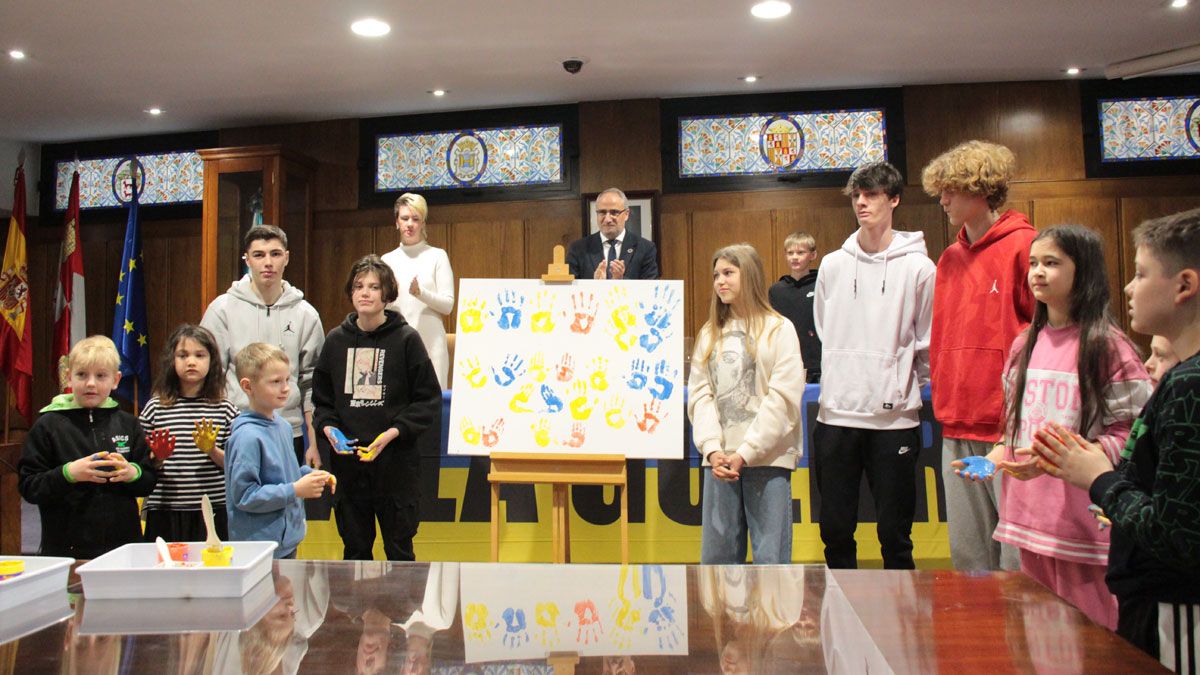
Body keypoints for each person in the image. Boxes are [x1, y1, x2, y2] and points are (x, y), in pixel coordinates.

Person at [953, 225, 1152, 630]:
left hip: (1083, 526)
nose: (1037, 273)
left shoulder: (1109, 346)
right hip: (1030, 520)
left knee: (1092, 643)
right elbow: (1016, 429)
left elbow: (1134, 433)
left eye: (1052, 263)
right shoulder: (1024, 344)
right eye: (1033, 263)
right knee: (1038, 643)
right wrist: (995, 459)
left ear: (1085, 271)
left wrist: (1063, 459)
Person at [1030, 208, 1200, 671]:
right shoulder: (1180, 378)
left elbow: (1175, 534)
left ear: (1184, 285)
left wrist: (1100, 478)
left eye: (1142, 273)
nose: (1128, 286)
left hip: (1176, 604)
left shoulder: (1189, 386)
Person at [812, 161, 935, 569]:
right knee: (835, 532)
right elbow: (825, 331)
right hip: (836, 416)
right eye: (856, 196)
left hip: (893, 421)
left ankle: (899, 629)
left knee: (895, 536)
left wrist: (895, 387)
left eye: (872, 195)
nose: (861, 203)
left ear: (894, 199)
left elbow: (927, 342)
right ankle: (840, 625)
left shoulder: (919, 268)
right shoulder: (831, 264)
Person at [921, 140, 1036, 572]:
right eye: (941, 190)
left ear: (982, 189)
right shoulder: (948, 259)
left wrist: (1018, 420)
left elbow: (1043, 339)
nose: (943, 199)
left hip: (1007, 428)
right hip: (957, 422)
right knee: (968, 556)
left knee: (1014, 556)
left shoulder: (1026, 247)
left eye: (952, 189)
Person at [313, 255, 441, 561]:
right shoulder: (335, 341)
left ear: (387, 294)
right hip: (350, 467)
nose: (365, 292)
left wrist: (394, 433)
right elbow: (322, 401)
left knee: (399, 551)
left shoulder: (407, 339)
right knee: (355, 551)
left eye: (374, 286)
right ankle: (359, 610)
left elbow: (427, 399)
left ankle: (401, 612)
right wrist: (329, 429)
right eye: (359, 286)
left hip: (395, 467)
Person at [688, 243, 805, 564]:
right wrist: (712, 449)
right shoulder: (710, 333)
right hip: (720, 463)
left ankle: (770, 618)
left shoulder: (779, 329)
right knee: (718, 562)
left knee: (771, 561)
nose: (719, 282)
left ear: (749, 275)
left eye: (728, 273)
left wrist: (747, 452)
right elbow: (700, 395)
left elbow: (783, 400)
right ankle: (721, 618)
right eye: (715, 275)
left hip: (767, 460)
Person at [17, 335, 157, 558]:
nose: (90, 383)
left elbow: (148, 481)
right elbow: (29, 487)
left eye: (100, 375)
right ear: (68, 377)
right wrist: (68, 473)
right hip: (65, 549)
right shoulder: (48, 425)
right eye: (82, 375)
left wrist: (133, 473)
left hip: (123, 548)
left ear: (116, 380)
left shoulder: (129, 424)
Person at [201, 224, 325, 470]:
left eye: (275, 254)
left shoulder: (305, 314)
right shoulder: (222, 309)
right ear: (246, 259)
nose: (268, 262)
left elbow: (311, 382)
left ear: (287, 257)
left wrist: (314, 442)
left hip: (289, 430)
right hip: (237, 428)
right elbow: (210, 377)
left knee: (286, 501)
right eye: (259, 255)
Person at [226, 342, 334, 559]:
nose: (286, 388)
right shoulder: (247, 437)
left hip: (287, 541)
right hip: (258, 547)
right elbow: (245, 496)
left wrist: (311, 476)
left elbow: (288, 473)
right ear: (248, 387)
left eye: (287, 380)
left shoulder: (283, 426)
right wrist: (294, 489)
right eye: (275, 382)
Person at [139, 324, 239, 542]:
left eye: (199, 355)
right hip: (165, 508)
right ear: (171, 361)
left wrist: (212, 450)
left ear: (212, 360)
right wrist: (158, 458)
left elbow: (236, 465)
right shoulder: (155, 408)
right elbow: (141, 463)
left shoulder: (225, 409)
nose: (191, 361)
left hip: (212, 508)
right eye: (183, 355)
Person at [380, 193, 455, 390]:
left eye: (416, 219)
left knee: (432, 407)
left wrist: (421, 293)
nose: (410, 224)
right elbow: (382, 307)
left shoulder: (437, 256)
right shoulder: (387, 260)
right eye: (405, 218)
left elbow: (448, 305)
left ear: (423, 223)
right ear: (397, 222)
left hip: (432, 344)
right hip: (397, 343)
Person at [566, 188, 659, 281]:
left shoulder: (645, 248)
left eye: (614, 212)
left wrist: (620, 281)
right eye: (602, 212)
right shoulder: (578, 249)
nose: (607, 219)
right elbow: (569, 290)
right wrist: (593, 285)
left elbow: (649, 289)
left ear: (626, 214)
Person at [768, 231, 822, 383]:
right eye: (790, 253)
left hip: (817, 364)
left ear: (812, 255)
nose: (794, 257)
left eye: (800, 252)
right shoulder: (776, 290)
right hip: (786, 362)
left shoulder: (821, 285)